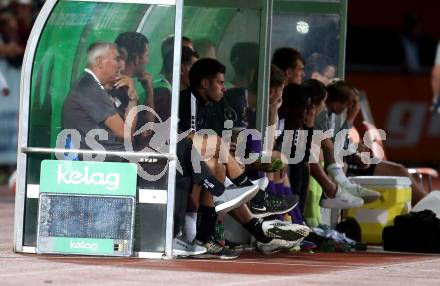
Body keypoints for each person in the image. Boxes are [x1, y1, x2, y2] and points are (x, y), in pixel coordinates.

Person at [180, 58, 310, 255]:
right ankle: (257, 201)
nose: (224, 89)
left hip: (199, 158)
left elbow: (258, 148)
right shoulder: (190, 99)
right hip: (176, 157)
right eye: (220, 83)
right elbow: (186, 137)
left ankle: (205, 238)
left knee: (219, 166)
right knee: (217, 148)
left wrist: (273, 112)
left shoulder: (205, 104)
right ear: (205, 83)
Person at [62, 42, 137, 154]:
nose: (120, 65)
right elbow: (126, 134)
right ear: (100, 62)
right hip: (96, 165)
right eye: (117, 59)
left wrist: (132, 97)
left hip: (106, 160)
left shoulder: (95, 87)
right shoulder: (89, 87)